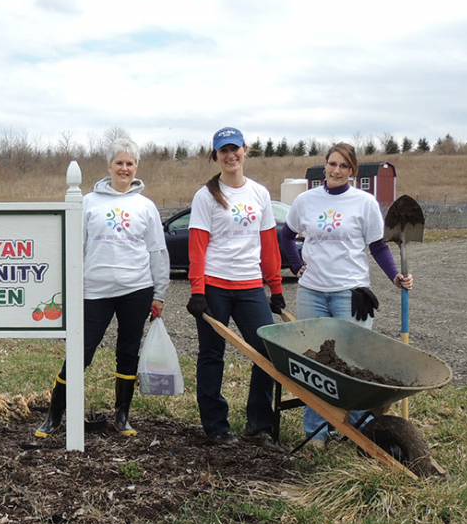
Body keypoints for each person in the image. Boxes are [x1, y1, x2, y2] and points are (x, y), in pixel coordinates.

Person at [280, 142, 413, 448]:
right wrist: (297, 264)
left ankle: (362, 432)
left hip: (349, 293)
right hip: (312, 291)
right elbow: (287, 237)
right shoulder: (305, 201)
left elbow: (377, 245)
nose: (336, 170)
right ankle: (316, 433)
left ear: (352, 171)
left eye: (343, 166)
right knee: (314, 362)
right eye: (332, 164)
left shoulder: (364, 203)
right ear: (324, 166)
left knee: (351, 364)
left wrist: (394, 276)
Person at [36, 137, 170, 438]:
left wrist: (159, 293)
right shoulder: (87, 202)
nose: (125, 168)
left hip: (137, 290)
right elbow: (72, 246)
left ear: (136, 167)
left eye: (130, 163)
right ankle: (54, 415)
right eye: (119, 163)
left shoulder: (145, 206)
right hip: (94, 291)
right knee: (81, 352)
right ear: (109, 166)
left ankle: (122, 416)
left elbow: (157, 252)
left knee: (127, 352)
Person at [186, 127, 284, 447]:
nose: (230, 156)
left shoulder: (259, 193)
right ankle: (216, 425)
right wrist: (198, 291)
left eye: (235, 149)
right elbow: (198, 248)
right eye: (223, 151)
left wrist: (276, 287)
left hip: (250, 286)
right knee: (212, 354)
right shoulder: (205, 196)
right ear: (216, 156)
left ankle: (258, 423)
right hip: (215, 286)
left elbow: (268, 244)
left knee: (267, 352)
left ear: (245, 150)